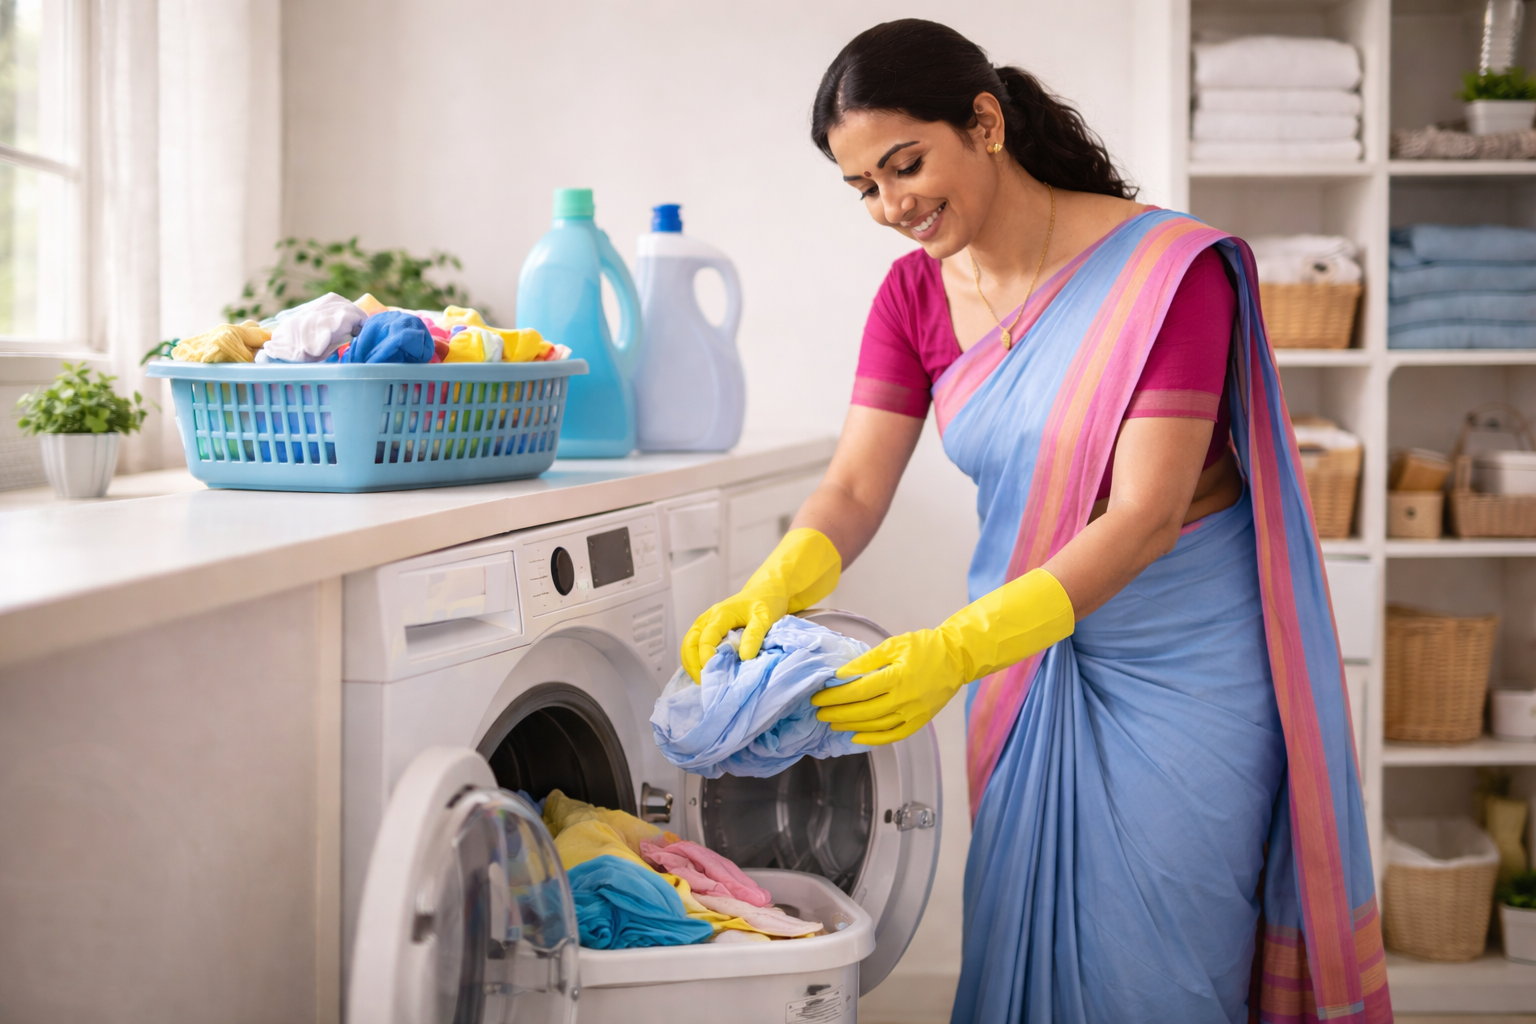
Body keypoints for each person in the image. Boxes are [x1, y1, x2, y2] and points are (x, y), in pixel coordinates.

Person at [680, 18, 1390, 1024]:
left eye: (905, 164)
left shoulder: (1164, 275)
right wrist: (775, 581)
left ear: (985, 122)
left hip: (1186, 658)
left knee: (1173, 972)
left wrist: (959, 649)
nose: (892, 206)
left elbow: (1144, 515)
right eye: (864, 188)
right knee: (1032, 946)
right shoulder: (913, 296)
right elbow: (853, 487)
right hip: (1031, 659)